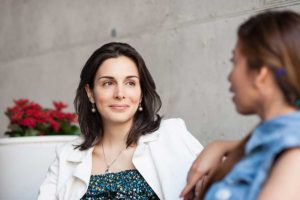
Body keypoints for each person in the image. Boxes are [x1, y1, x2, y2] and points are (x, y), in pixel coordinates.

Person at [38, 42, 203, 200]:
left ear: (141, 93)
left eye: (130, 83)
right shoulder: (67, 155)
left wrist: (221, 147)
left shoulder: (172, 135)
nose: (120, 93)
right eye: (108, 83)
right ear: (90, 93)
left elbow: (222, 181)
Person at [181, 10, 300, 200]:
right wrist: (220, 146)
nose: (229, 76)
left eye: (234, 62)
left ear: (260, 74)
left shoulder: (294, 156)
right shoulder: (264, 141)